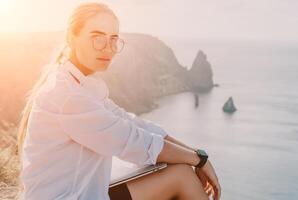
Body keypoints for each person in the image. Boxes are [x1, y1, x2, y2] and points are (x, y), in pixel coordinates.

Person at [17, 2, 221, 200]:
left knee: (180, 170)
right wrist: (200, 160)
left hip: (82, 192)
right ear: (72, 37)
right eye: (98, 38)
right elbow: (135, 142)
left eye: (114, 39)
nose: (109, 48)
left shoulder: (82, 85)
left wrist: (195, 154)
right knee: (182, 177)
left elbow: (133, 123)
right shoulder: (69, 96)